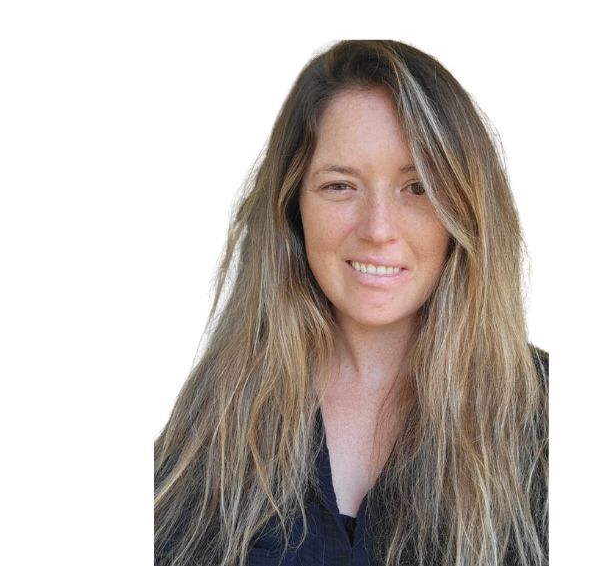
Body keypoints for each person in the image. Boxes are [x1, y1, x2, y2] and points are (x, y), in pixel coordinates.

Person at [154, 39, 548, 566]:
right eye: (341, 186)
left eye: (418, 187)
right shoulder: (223, 407)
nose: (378, 229)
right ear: (293, 206)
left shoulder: (548, 414)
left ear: (465, 209)